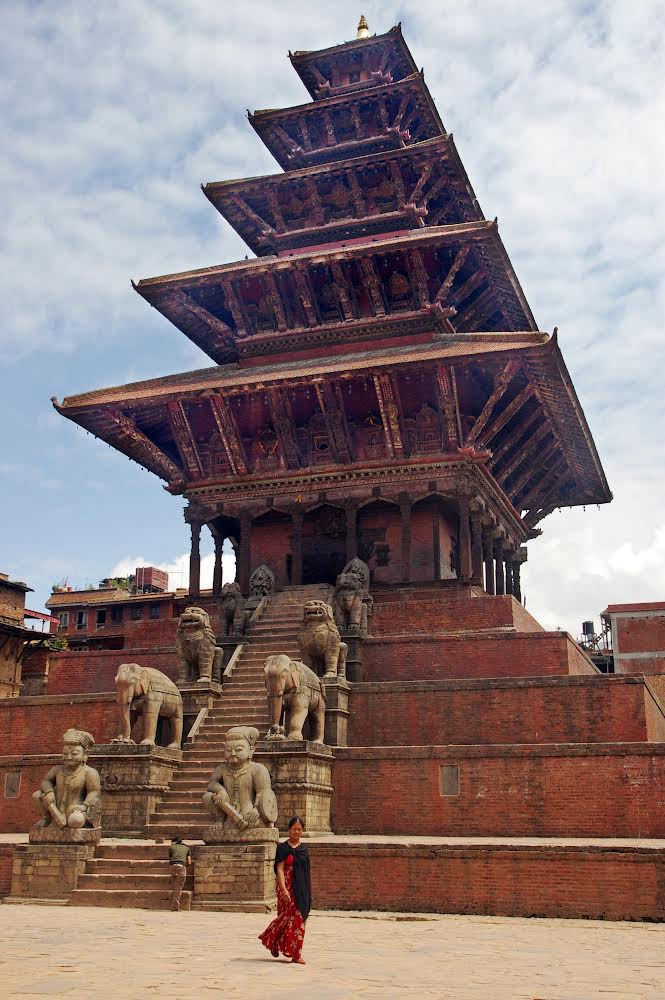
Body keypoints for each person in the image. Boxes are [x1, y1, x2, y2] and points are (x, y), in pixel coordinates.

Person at [258, 816, 311, 965]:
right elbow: (280, 869)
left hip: (301, 889)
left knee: (299, 919)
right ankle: (273, 940)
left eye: (299, 829)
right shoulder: (283, 848)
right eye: (294, 829)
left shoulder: (304, 850)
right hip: (286, 887)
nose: (297, 832)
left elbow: (307, 873)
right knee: (285, 918)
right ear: (289, 830)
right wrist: (283, 889)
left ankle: (296, 954)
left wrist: (308, 893)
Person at [168, 836, 192, 911]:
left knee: (175, 886)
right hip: (181, 866)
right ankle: (175, 907)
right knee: (178, 888)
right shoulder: (187, 848)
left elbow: (170, 858)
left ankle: (174, 905)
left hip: (172, 867)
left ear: (174, 842)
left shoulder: (171, 847)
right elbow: (189, 862)